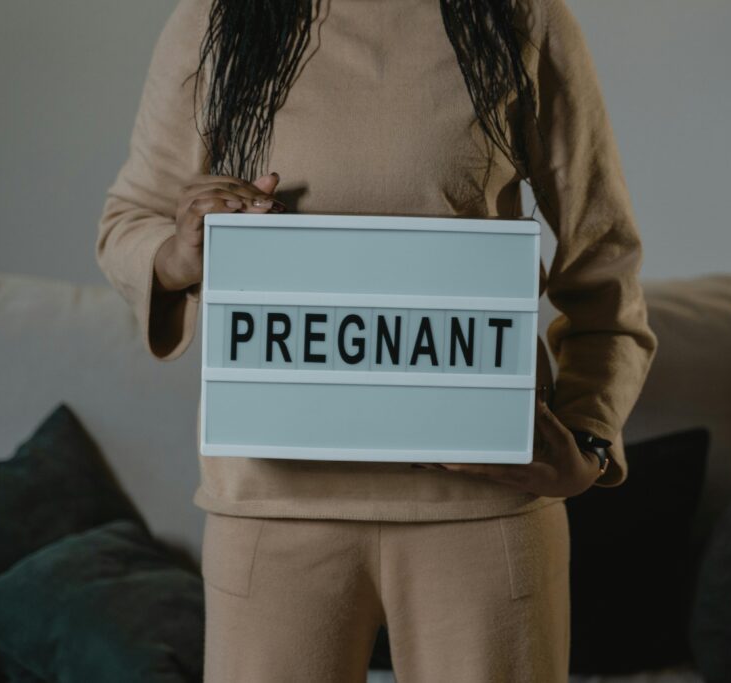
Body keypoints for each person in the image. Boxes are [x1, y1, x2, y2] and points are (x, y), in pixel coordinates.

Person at [96, 0, 658, 680]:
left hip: (484, 506)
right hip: (274, 503)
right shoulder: (216, 18)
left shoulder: (522, 15)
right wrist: (178, 253)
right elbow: (129, 221)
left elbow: (605, 263)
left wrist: (587, 444)